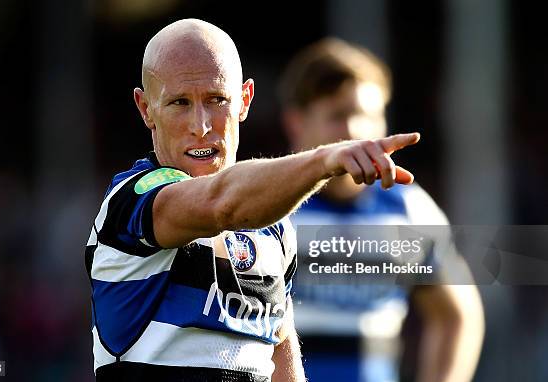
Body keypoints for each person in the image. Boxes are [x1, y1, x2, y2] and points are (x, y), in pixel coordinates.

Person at [85, 19, 421, 382]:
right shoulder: (130, 203)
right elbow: (221, 204)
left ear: (244, 100)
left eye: (217, 100)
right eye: (180, 102)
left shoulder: (275, 228)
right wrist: (325, 160)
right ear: (145, 108)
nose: (201, 125)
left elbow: (284, 367)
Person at [278, 37, 485, 382]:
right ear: (296, 122)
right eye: (338, 116)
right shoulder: (268, 206)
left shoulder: (408, 208)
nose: (357, 132)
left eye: (367, 115)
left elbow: (457, 317)